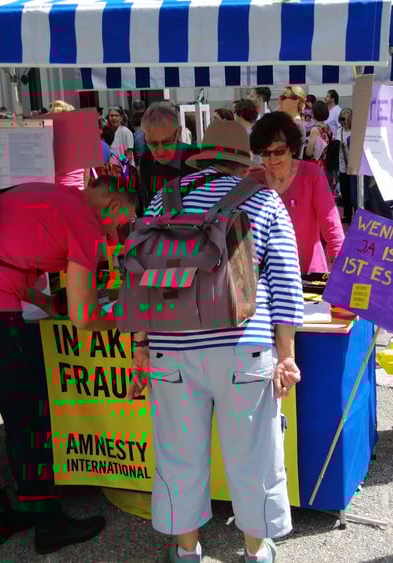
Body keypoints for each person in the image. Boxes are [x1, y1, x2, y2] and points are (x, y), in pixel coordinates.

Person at [128, 120, 303, 563]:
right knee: (253, 455)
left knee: (178, 453)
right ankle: (256, 550)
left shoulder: (161, 201)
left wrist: (141, 347)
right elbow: (285, 283)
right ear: (243, 161)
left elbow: (138, 276)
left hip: (172, 350)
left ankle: (187, 551)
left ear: (202, 158)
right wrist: (286, 356)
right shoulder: (263, 200)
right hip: (242, 349)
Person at [0, 175, 129, 554]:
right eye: (121, 223)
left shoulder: (45, 194)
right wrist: (127, 322)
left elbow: (2, 257)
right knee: (27, 422)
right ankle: (49, 524)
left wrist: (48, 302)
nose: (118, 234)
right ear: (113, 208)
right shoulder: (84, 221)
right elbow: (85, 317)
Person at [251, 112, 343, 274]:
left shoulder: (312, 174)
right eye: (266, 153)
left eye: (279, 151)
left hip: (309, 274)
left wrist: (342, 273)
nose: (272, 159)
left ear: (291, 148)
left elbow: (331, 227)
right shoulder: (253, 181)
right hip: (268, 278)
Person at [135, 101, 198, 217]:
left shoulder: (197, 159)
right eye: (153, 143)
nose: (160, 150)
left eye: (167, 142)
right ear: (145, 137)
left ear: (178, 132)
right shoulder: (146, 161)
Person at [303, 101, 334, 176]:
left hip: (315, 165)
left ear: (314, 113)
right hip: (325, 163)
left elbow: (309, 152)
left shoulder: (315, 129)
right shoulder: (328, 128)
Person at [337, 108, 355, 222]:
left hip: (353, 165)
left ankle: (357, 213)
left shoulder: (355, 131)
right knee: (345, 191)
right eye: (342, 118)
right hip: (343, 165)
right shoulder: (340, 131)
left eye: (346, 118)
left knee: (354, 191)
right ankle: (347, 214)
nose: (344, 121)